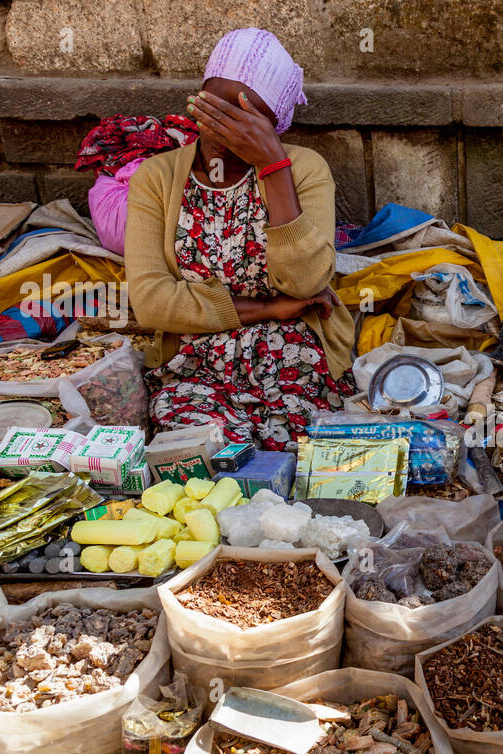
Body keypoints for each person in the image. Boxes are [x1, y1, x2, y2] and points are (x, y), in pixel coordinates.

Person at [126, 28, 357, 451]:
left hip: (294, 353)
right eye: (216, 109)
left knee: (304, 459)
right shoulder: (156, 179)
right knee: (199, 456)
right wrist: (270, 307)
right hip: (192, 364)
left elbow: (306, 281)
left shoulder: (304, 169)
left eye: (247, 118)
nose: (227, 129)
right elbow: (153, 301)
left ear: (274, 124)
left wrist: (273, 166)